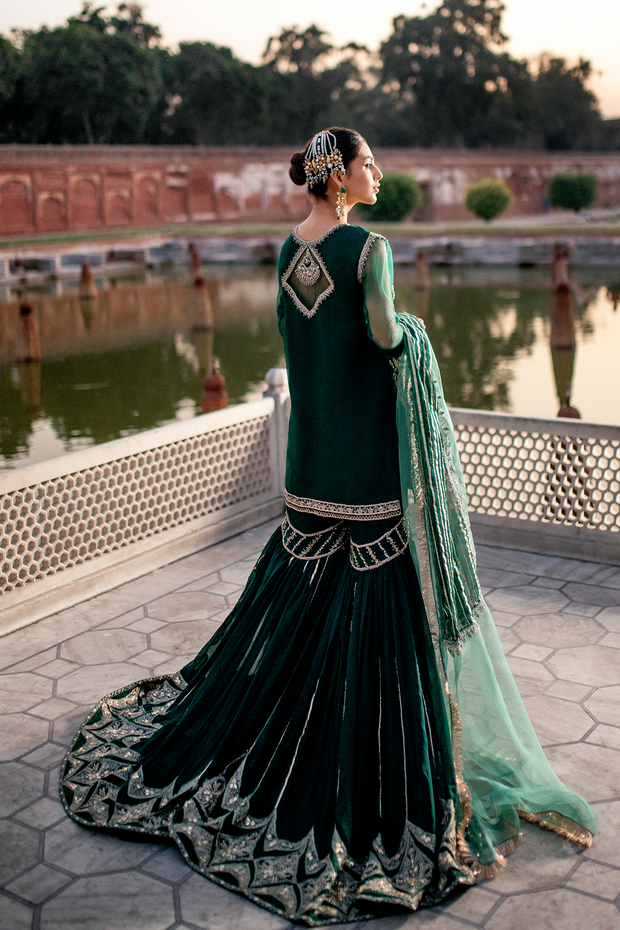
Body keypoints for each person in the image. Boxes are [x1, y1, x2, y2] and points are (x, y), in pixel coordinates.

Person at [60, 128, 596, 926]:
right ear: (341, 174)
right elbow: (383, 337)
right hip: (368, 474)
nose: (379, 171)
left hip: (309, 470)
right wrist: (414, 331)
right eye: (370, 160)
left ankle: (272, 734)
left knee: (298, 609)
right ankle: (365, 769)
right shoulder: (369, 250)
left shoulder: (286, 250)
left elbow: (306, 343)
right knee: (375, 619)